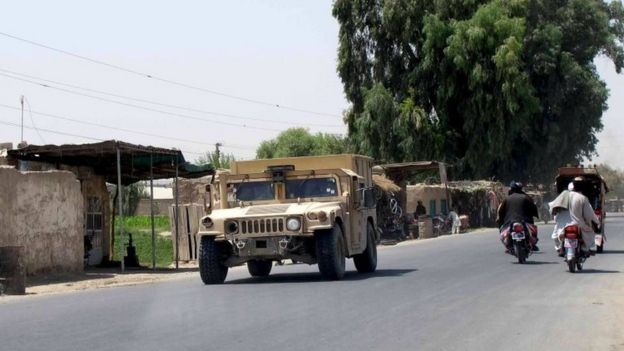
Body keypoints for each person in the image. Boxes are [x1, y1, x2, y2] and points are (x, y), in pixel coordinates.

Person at [550, 178, 600, 256]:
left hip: (562, 226)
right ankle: (584, 249)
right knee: (590, 234)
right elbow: (589, 214)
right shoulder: (582, 198)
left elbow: (553, 209)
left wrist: (556, 220)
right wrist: (596, 222)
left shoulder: (562, 196)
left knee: (555, 235)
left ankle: (561, 249)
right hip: (578, 225)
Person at [497, 181, 539, 252]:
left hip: (509, 222)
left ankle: (509, 246)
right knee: (533, 230)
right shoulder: (527, 198)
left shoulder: (506, 199)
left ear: (511, 189)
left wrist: (500, 220)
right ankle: (533, 245)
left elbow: (500, 212)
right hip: (525, 221)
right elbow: (534, 209)